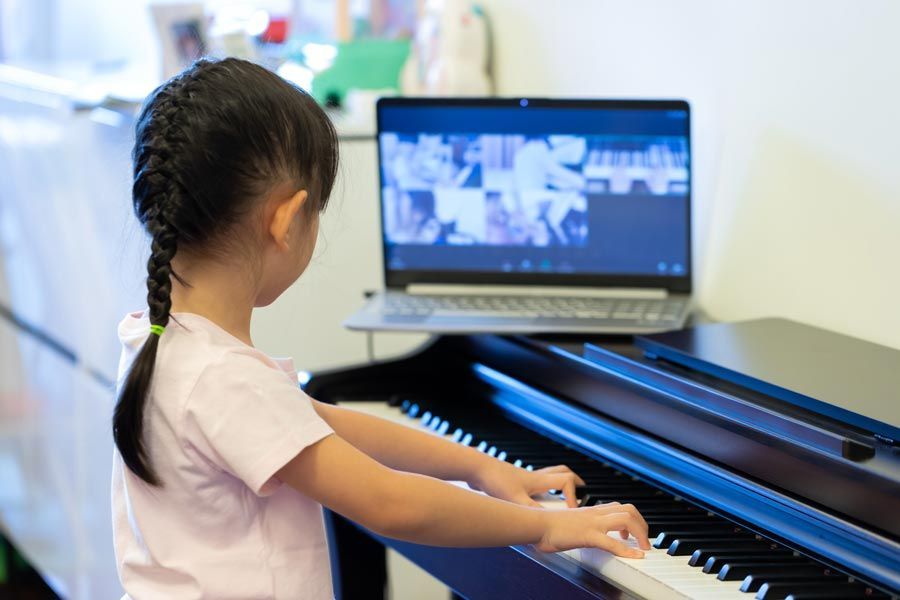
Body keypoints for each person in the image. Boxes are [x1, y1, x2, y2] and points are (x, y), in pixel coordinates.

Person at [111, 57, 650, 600]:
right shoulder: (227, 381)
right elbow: (392, 504)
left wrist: (483, 468)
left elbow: (325, 422)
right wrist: (547, 526)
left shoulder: (160, 344)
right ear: (287, 220)